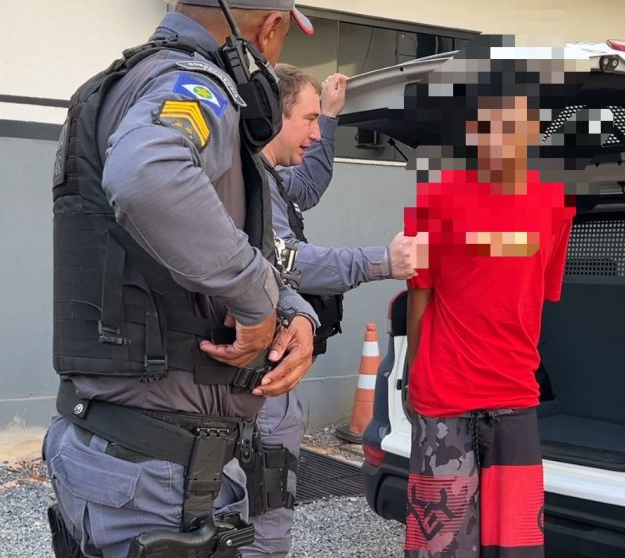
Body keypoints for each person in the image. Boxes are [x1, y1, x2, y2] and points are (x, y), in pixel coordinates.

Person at [42, 2, 320, 557]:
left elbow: (214, 241)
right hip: (161, 472)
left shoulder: (128, 84)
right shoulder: (195, 82)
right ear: (271, 28)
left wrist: (291, 311)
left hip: (124, 448)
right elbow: (148, 176)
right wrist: (258, 302)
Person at [246, 63, 416, 557]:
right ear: (273, 117)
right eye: (308, 119)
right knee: (257, 511)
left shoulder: (269, 175)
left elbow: (309, 185)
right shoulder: (248, 181)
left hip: (268, 371)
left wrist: (331, 115)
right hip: (255, 380)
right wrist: (381, 261)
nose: (316, 133)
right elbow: (285, 260)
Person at [402, 73, 576, 557]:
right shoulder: (434, 199)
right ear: (473, 130)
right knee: (440, 545)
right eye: (490, 124)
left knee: (516, 546)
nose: (502, 137)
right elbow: (419, 294)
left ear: (535, 128)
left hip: (515, 396)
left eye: (515, 124)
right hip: (444, 395)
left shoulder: (556, 204)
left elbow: (535, 298)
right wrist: (414, 376)